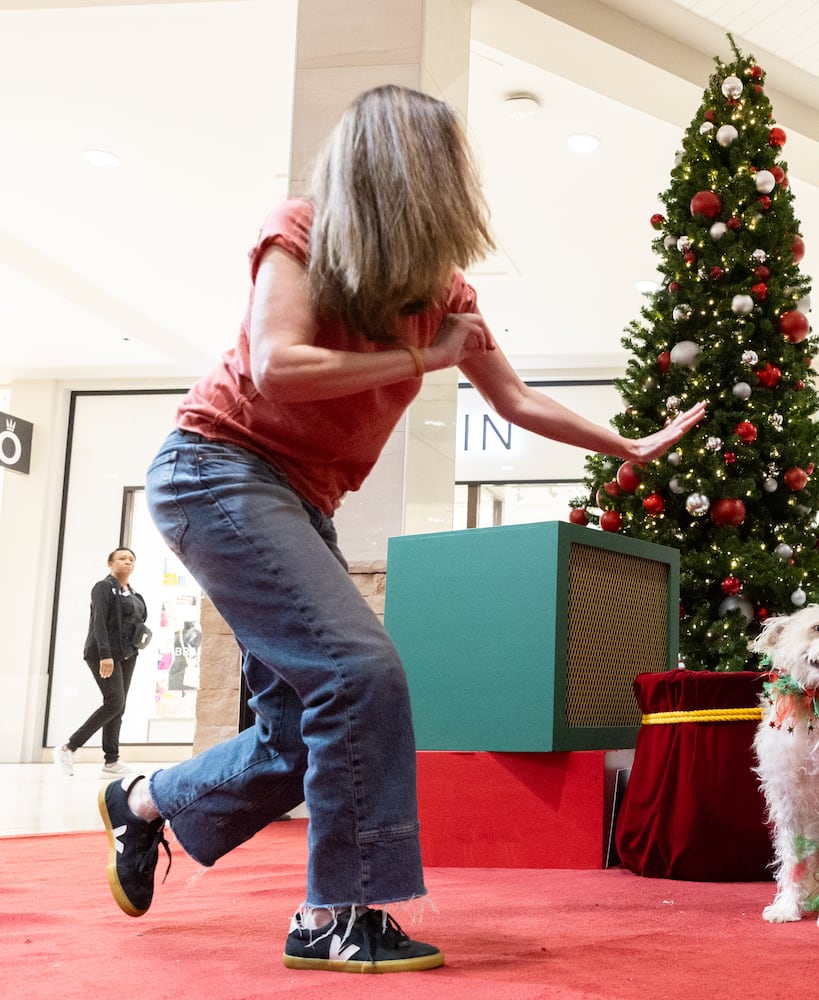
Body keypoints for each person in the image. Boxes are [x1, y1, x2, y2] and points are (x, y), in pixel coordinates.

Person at [96, 84, 706, 975]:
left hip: (300, 499)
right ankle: (334, 914)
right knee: (360, 671)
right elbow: (276, 367)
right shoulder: (299, 233)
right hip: (216, 470)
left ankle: (144, 803)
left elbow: (515, 397)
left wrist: (624, 440)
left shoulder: (444, 291)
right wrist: (425, 355)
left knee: (298, 732)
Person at [56, 547, 149, 779]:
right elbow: (99, 622)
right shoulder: (103, 587)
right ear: (110, 563)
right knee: (114, 702)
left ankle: (111, 762)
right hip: (103, 653)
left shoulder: (135, 594)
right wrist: (106, 655)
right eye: (122, 558)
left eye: (131, 559)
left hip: (127, 654)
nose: (127, 562)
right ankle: (68, 748)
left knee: (119, 706)